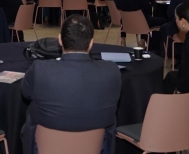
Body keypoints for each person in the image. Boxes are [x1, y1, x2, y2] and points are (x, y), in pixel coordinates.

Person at [21, 15, 121, 154]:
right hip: (97, 147)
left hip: (44, 147)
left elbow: (25, 93)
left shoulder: (40, 69)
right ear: (91, 43)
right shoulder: (112, 71)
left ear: (60, 40)